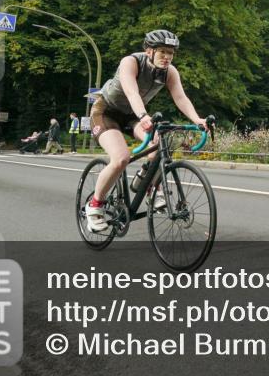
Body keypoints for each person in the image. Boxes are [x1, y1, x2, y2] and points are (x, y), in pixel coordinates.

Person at [84, 29, 207, 232]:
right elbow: (131, 91)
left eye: (171, 53)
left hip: (133, 115)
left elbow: (180, 98)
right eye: (162, 52)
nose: (167, 57)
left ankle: (147, 183)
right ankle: (95, 205)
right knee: (121, 158)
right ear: (149, 51)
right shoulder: (131, 62)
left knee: (158, 143)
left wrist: (197, 119)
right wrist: (143, 116)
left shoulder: (170, 72)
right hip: (107, 112)